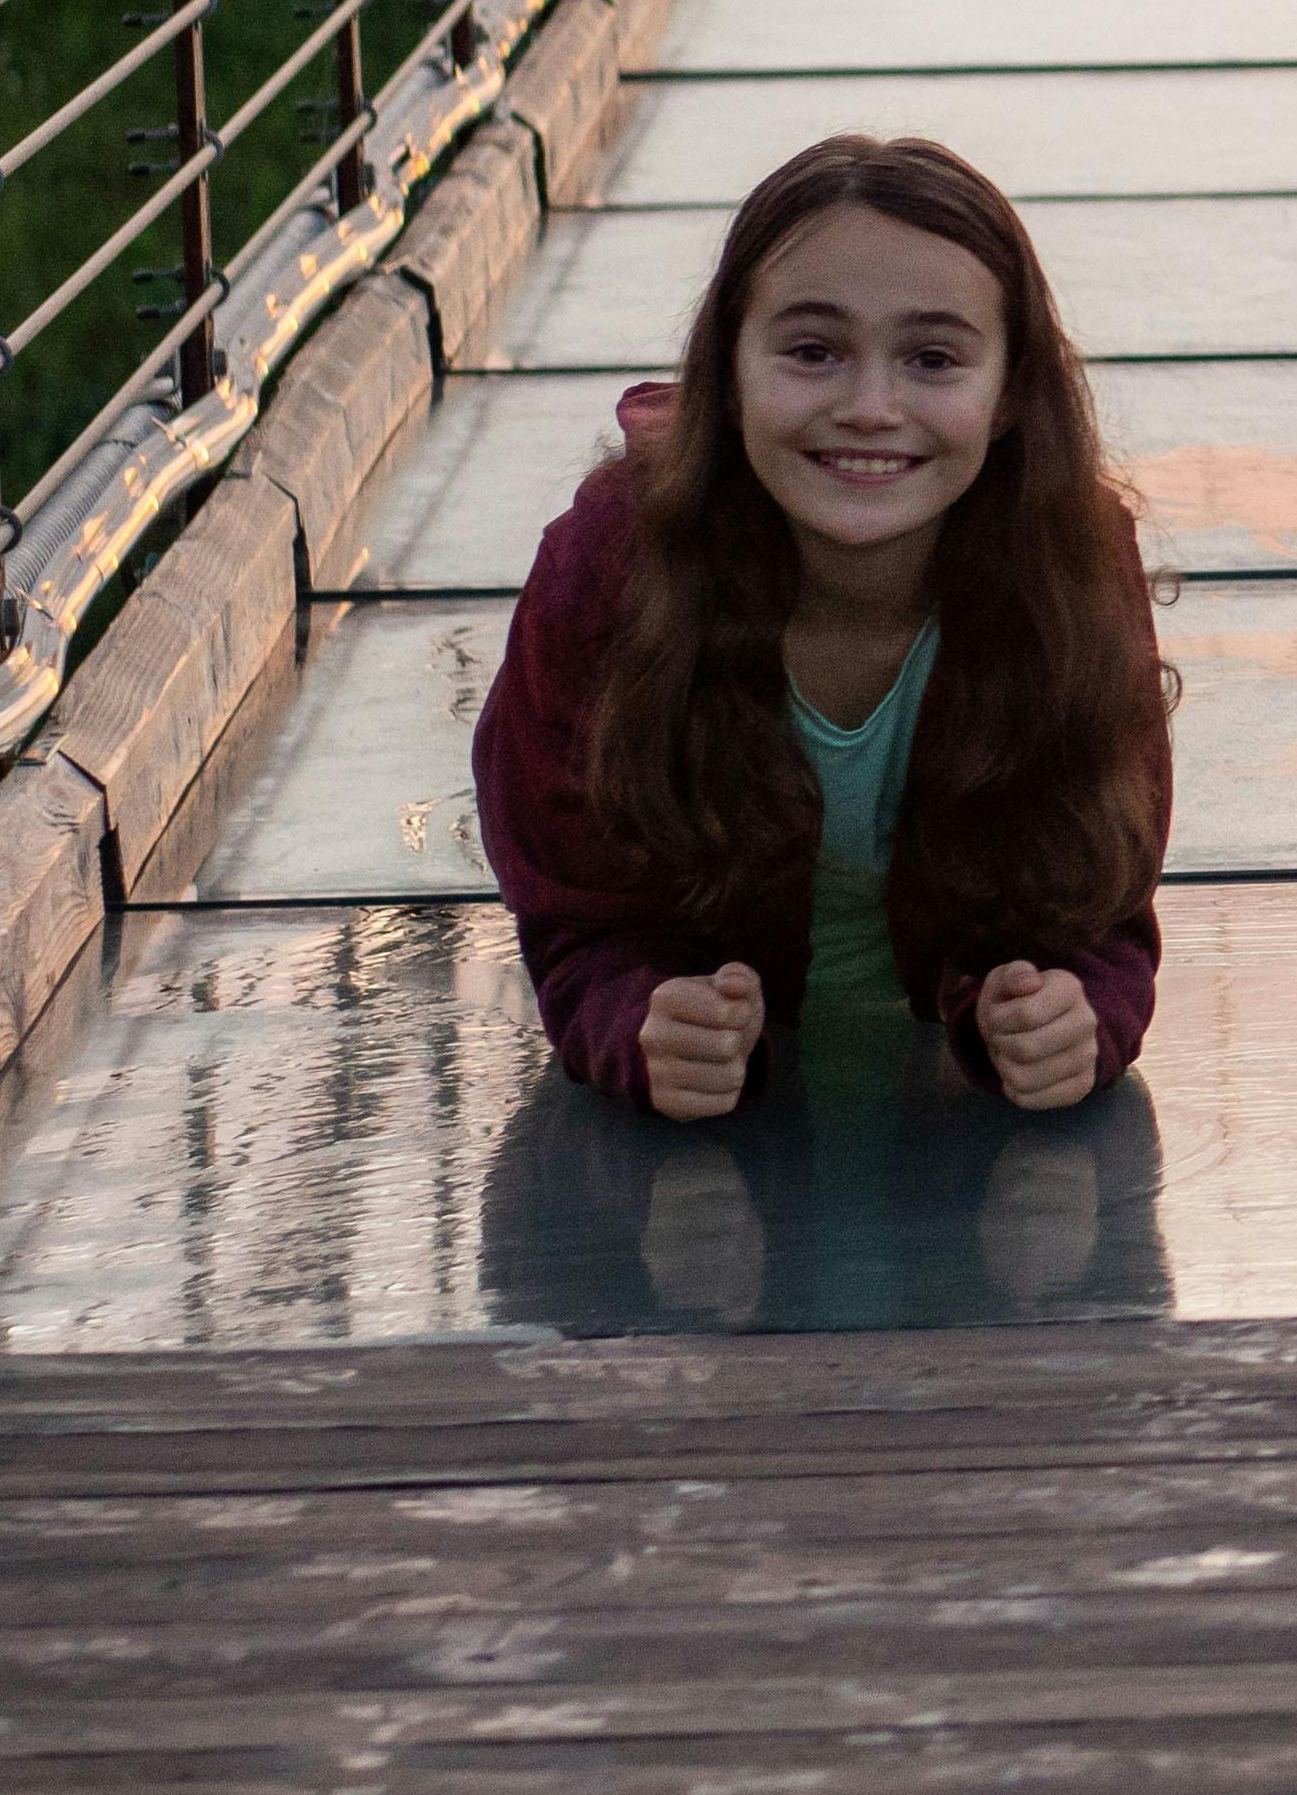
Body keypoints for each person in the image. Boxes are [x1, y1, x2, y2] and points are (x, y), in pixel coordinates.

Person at [473, 132, 1174, 1116]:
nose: (871, 406)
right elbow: (577, 918)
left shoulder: (1071, 567)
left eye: (933, 357)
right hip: (715, 1176)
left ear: (1012, 388)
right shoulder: (609, 569)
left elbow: (1103, 899)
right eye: (813, 352)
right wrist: (640, 1018)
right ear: (729, 366)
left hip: (952, 1151)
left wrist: (1080, 1012)